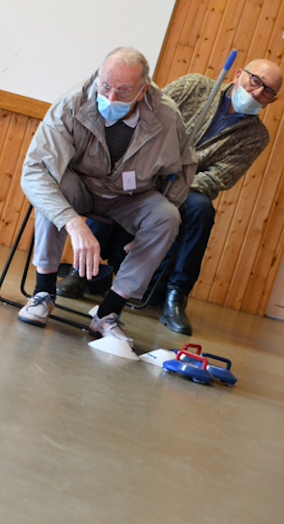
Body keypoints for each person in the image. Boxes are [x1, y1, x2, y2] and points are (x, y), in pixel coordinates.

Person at [56, 59, 282, 335]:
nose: (258, 92)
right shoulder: (195, 86)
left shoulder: (256, 136)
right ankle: (82, 272)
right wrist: (150, 174)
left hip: (188, 188)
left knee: (201, 210)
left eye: (268, 91)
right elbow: (146, 115)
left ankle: (176, 295)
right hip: (144, 168)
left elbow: (220, 177)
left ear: (271, 100)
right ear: (237, 75)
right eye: (255, 81)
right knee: (115, 182)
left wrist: (174, 188)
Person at [17, 47, 196, 349]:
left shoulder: (166, 117)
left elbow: (181, 171)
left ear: (143, 91)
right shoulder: (71, 104)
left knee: (167, 216)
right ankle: (43, 292)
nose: (111, 98)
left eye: (123, 91)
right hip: (79, 189)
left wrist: (144, 232)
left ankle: (108, 313)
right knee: (52, 185)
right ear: (99, 77)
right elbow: (34, 172)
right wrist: (73, 223)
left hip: (130, 196)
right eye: (106, 86)